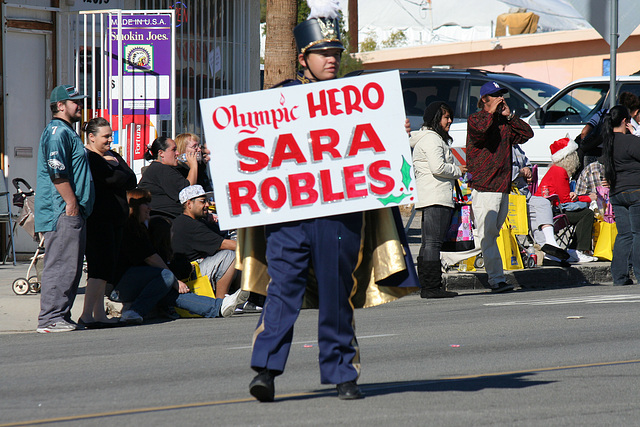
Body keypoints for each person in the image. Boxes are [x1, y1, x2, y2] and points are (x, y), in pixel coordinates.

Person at [245, 0, 418, 402]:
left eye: (336, 53)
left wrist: (395, 130)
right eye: (324, 53)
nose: (332, 60)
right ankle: (266, 372)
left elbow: (378, 153)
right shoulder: (279, 97)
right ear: (303, 58)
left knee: (337, 297)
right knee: (282, 292)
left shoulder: (359, 97)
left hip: (340, 217)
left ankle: (343, 374)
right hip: (290, 216)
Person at [111, 189, 249, 323]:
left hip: (142, 281)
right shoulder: (129, 229)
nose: (150, 207)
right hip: (121, 286)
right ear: (134, 206)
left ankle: (219, 307)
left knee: (172, 294)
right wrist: (175, 281)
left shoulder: (141, 228)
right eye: (145, 203)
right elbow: (151, 258)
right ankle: (135, 311)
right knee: (166, 276)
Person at [35, 85, 95, 333]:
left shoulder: (68, 132)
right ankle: (50, 318)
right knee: (61, 264)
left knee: (70, 266)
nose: (80, 104)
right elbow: (56, 170)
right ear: (60, 106)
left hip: (72, 210)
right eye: (75, 101)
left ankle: (61, 316)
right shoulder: (58, 132)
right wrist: (70, 203)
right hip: (61, 210)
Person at [466, 81, 534, 293]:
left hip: (502, 187)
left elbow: (526, 134)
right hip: (485, 187)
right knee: (487, 236)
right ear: (484, 100)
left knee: (490, 235)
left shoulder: (504, 123)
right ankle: (497, 280)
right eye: (496, 95)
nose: (501, 98)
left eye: (502, 95)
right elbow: (480, 132)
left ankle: (447, 257)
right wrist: (492, 112)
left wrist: (510, 116)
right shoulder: (476, 119)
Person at [78, 117, 137, 329]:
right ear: (91, 137)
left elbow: (131, 179)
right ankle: (86, 315)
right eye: (106, 136)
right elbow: (111, 179)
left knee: (106, 270)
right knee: (98, 268)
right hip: (99, 220)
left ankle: (98, 313)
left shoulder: (112, 155)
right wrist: (117, 172)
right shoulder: (89, 157)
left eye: (111, 135)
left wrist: (117, 171)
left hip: (116, 220)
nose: (110, 140)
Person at [410, 101, 464, 298]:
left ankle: (427, 285)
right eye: (446, 117)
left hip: (429, 195)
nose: (450, 121)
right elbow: (438, 167)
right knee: (433, 243)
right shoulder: (432, 139)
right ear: (435, 119)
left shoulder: (426, 138)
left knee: (428, 243)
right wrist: (459, 170)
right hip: (436, 196)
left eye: (450, 117)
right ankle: (432, 287)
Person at [534, 138, 597, 263]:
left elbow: (564, 196)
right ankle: (577, 250)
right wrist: (588, 198)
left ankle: (575, 250)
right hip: (551, 212)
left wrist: (576, 196)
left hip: (548, 209)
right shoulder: (560, 171)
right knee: (586, 214)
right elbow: (565, 201)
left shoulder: (555, 169)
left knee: (582, 213)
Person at [171, 185, 237, 298]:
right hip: (191, 272)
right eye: (202, 201)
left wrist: (211, 222)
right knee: (230, 255)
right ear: (189, 204)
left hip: (200, 266)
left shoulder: (197, 221)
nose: (207, 205)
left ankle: (240, 297)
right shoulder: (188, 224)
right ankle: (221, 302)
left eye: (207, 201)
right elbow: (224, 244)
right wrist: (254, 246)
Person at [601, 105, 640, 285]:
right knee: (638, 233)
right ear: (625, 121)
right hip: (636, 190)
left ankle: (620, 276)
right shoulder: (630, 141)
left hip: (617, 193)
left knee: (624, 235)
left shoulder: (608, 142)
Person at [511, 145, 570, 264]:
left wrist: (528, 170)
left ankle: (549, 243)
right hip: (510, 195)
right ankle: (548, 248)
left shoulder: (517, 148)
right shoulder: (503, 147)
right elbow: (503, 172)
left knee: (542, 202)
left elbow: (527, 163)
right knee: (532, 214)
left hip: (524, 195)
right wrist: (521, 172)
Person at [137, 136, 196, 218]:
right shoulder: (160, 169)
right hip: (166, 219)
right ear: (161, 153)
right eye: (173, 150)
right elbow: (189, 191)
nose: (177, 153)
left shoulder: (160, 168)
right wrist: (194, 166)